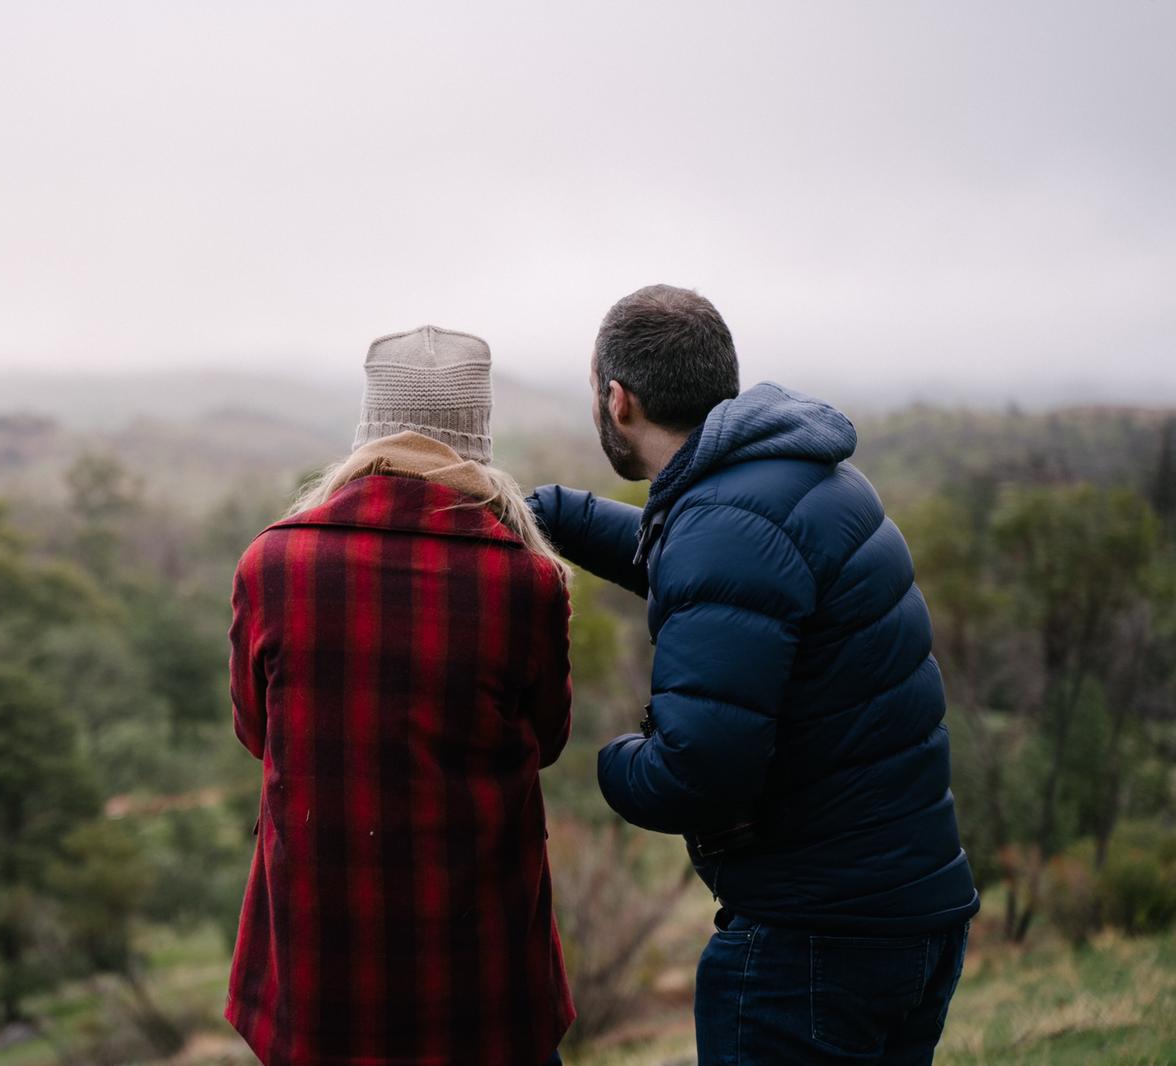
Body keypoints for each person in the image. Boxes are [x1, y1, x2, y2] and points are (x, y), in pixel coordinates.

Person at [529, 286, 980, 1065]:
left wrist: (610, 763)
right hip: (908, 917)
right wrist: (555, 513)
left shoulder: (725, 524)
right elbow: (721, 575)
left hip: (814, 946)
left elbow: (698, 772)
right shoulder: (795, 478)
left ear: (616, 399)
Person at [226, 326, 576, 1066]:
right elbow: (548, 740)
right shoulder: (526, 582)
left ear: (369, 429)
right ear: (476, 436)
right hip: (481, 977)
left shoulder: (274, 563)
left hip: (323, 973)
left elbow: (257, 734)